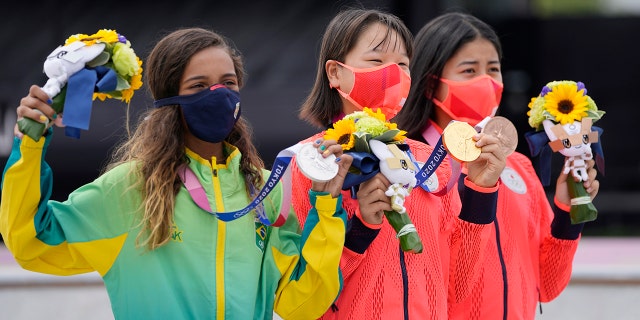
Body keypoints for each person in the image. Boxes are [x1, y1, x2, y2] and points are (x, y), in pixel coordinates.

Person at [0, 27, 354, 320]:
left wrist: (325, 205)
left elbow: (301, 304)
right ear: (169, 99)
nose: (218, 95)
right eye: (199, 86)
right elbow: (32, 242)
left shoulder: (263, 189)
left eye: (228, 84)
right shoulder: (130, 189)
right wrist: (30, 146)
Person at [290, 8, 506, 319]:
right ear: (335, 72)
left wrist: (481, 193)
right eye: (377, 61)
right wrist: (360, 230)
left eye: (403, 64)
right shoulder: (309, 162)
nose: (394, 74)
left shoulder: (429, 162)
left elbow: (457, 287)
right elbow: (302, 298)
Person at [394, 12, 600, 319]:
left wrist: (568, 214)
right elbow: (427, 286)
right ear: (429, 84)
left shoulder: (518, 167)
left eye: (493, 69)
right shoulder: (411, 170)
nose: (487, 82)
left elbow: (547, 285)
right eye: (469, 70)